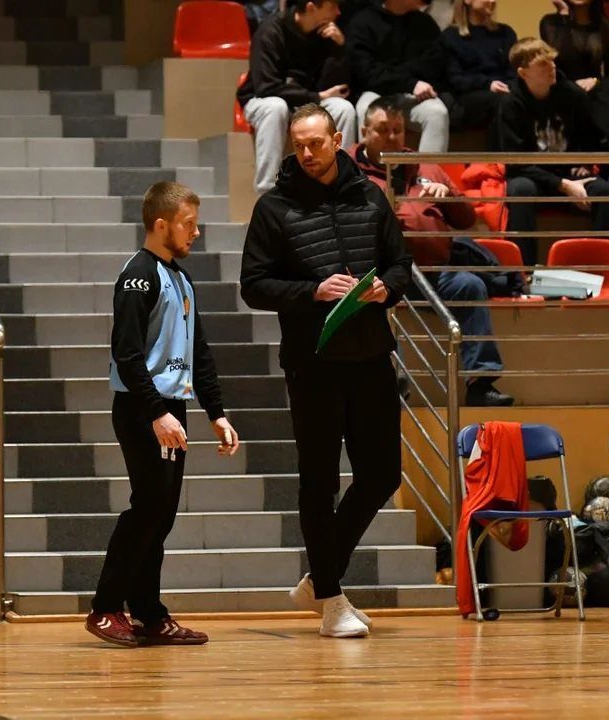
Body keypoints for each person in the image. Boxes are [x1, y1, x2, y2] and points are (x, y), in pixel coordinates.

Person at [240, 103, 411, 638]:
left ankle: (320, 579)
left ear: (338, 140)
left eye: (315, 143)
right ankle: (331, 600)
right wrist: (312, 291)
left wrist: (385, 288)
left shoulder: (371, 195)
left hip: (371, 356)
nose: (307, 153)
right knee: (319, 482)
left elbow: (400, 264)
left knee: (382, 475)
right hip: (311, 363)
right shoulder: (273, 208)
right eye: (298, 146)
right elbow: (253, 285)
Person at [86, 181, 240, 648]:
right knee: (148, 508)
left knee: (161, 514)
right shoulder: (138, 276)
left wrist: (216, 412)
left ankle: (149, 614)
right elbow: (127, 354)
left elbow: (199, 350)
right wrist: (156, 412)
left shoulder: (181, 278)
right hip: (142, 408)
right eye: (188, 224)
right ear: (161, 225)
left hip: (170, 408)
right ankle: (105, 608)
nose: (196, 233)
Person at [354, 96, 513, 407]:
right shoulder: (349, 170)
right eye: (383, 130)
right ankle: (391, 380)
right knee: (370, 297)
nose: (392, 137)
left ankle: (481, 384)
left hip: (434, 273)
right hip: (383, 274)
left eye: (398, 130)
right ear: (365, 132)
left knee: (471, 285)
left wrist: (448, 197)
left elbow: (466, 219)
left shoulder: (426, 166)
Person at [492, 38, 609, 266]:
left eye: (552, 61)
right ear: (523, 73)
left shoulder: (572, 94)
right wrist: (562, 184)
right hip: (531, 176)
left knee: (606, 192)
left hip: (568, 172)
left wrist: (585, 163)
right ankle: (523, 272)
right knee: (520, 190)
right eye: (543, 64)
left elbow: (593, 137)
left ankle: (604, 267)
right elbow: (516, 162)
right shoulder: (511, 104)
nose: (552, 67)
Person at [236, 0, 355, 193]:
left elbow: (336, 83)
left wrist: (339, 48)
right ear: (311, 7)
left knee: (343, 108)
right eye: (332, 7)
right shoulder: (270, 31)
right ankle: (268, 192)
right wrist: (317, 96)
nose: (338, 12)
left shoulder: (326, 34)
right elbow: (266, 87)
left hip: (308, 100)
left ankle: (341, 187)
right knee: (275, 107)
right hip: (263, 99)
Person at [348, 0, 450, 153]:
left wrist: (393, 73)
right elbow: (367, 73)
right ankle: (368, 167)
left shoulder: (425, 24)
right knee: (366, 110)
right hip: (376, 91)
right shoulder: (363, 22)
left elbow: (432, 65)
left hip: (412, 92)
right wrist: (408, 81)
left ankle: (429, 169)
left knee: (437, 113)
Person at [540, 0, 609, 135]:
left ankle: (607, 140)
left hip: (594, 85)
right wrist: (564, 14)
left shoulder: (605, 27)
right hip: (562, 83)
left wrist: (596, 81)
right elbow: (558, 55)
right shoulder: (551, 23)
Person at [440, 0, 518, 130]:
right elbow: (455, 79)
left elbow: (513, 71)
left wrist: (509, 86)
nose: (493, 1)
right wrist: (488, 84)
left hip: (504, 91)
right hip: (469, 96)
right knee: (502, 101)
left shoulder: (506, 33)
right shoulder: (450, 36)